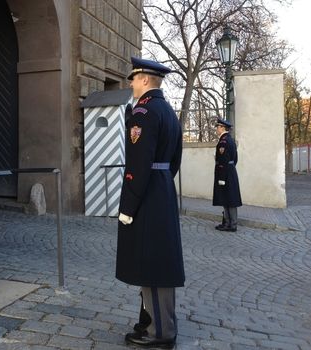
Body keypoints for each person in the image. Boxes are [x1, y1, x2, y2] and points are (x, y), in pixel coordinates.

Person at [116, 56, 184, 349]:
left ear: (144, 79)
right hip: (163, 189)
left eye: (133, 78)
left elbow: (138, 164)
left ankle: (160, 333)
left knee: (152, 264)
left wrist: (128, 207)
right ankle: (155, 321)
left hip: (147, 195)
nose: (130, 83)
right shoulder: (168, 111)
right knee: (157, 260)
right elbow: (174, 160)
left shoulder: (143, 112)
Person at [213, 118, 242, 232]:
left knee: (229, 198)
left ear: (222, 128)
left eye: (218, 127)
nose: (217, 129)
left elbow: (223, 161)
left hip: (225, 173)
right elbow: (235, 159)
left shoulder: (223, 142)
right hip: (230, 171)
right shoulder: (230, 140)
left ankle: (231, 224)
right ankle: (228, 223)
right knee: (227, 197)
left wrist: (221, 177)